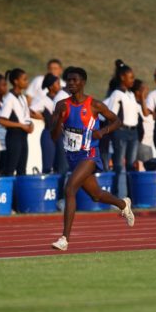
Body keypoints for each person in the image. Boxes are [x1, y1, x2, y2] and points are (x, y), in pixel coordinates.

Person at [50, 67, 135, 251]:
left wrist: (103, 131)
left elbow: (117, 121)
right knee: (96, 195)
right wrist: (60, 119)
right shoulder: (61, 105)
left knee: (70, 189)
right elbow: (54, 136)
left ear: (83, 82)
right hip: (72, 156)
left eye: (74, 80)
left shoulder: (94, 105)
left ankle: (64, 239)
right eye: (68, 80)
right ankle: (123, 204)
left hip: (90, 155)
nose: (71, 83)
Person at [107, 60, 140, 197]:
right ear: (122, 77)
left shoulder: (131, 94)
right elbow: (110, 114)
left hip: (133, 132)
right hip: (121, 132)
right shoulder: (117, 94)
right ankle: (114, 194)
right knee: (118, 165)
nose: (133, 80)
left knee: (131, 165)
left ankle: (131, 196)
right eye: (130, 77)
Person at [0, 68, 34, 176]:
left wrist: (30, 124)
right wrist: (21, 125)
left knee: (22, 169)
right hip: (14, 136)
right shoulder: (9, 98)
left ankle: (20, 187)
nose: (27, 82)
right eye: (24, 79)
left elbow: (25, 116)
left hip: (23, 136)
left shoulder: (23, 97)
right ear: (16, 81)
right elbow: (2, 120)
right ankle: (7, 186)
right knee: (10, 168)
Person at [132, 79, 154, 163]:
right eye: (144, 89)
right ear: (138, 92)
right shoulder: (135, 106)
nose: (147, 90)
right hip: (142, 144)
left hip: (148, 144)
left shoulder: (145, 105)